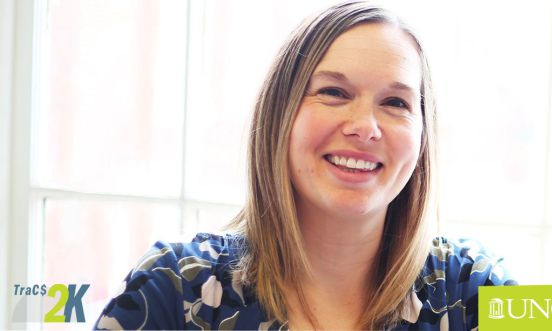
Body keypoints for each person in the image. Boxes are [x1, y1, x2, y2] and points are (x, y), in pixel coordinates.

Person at [94, 1, 515, 330]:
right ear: (280, 116)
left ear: (423, 138)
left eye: (395, 103)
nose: (365, 127)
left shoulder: (476, 286)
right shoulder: (173, 288)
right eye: (333, 92)